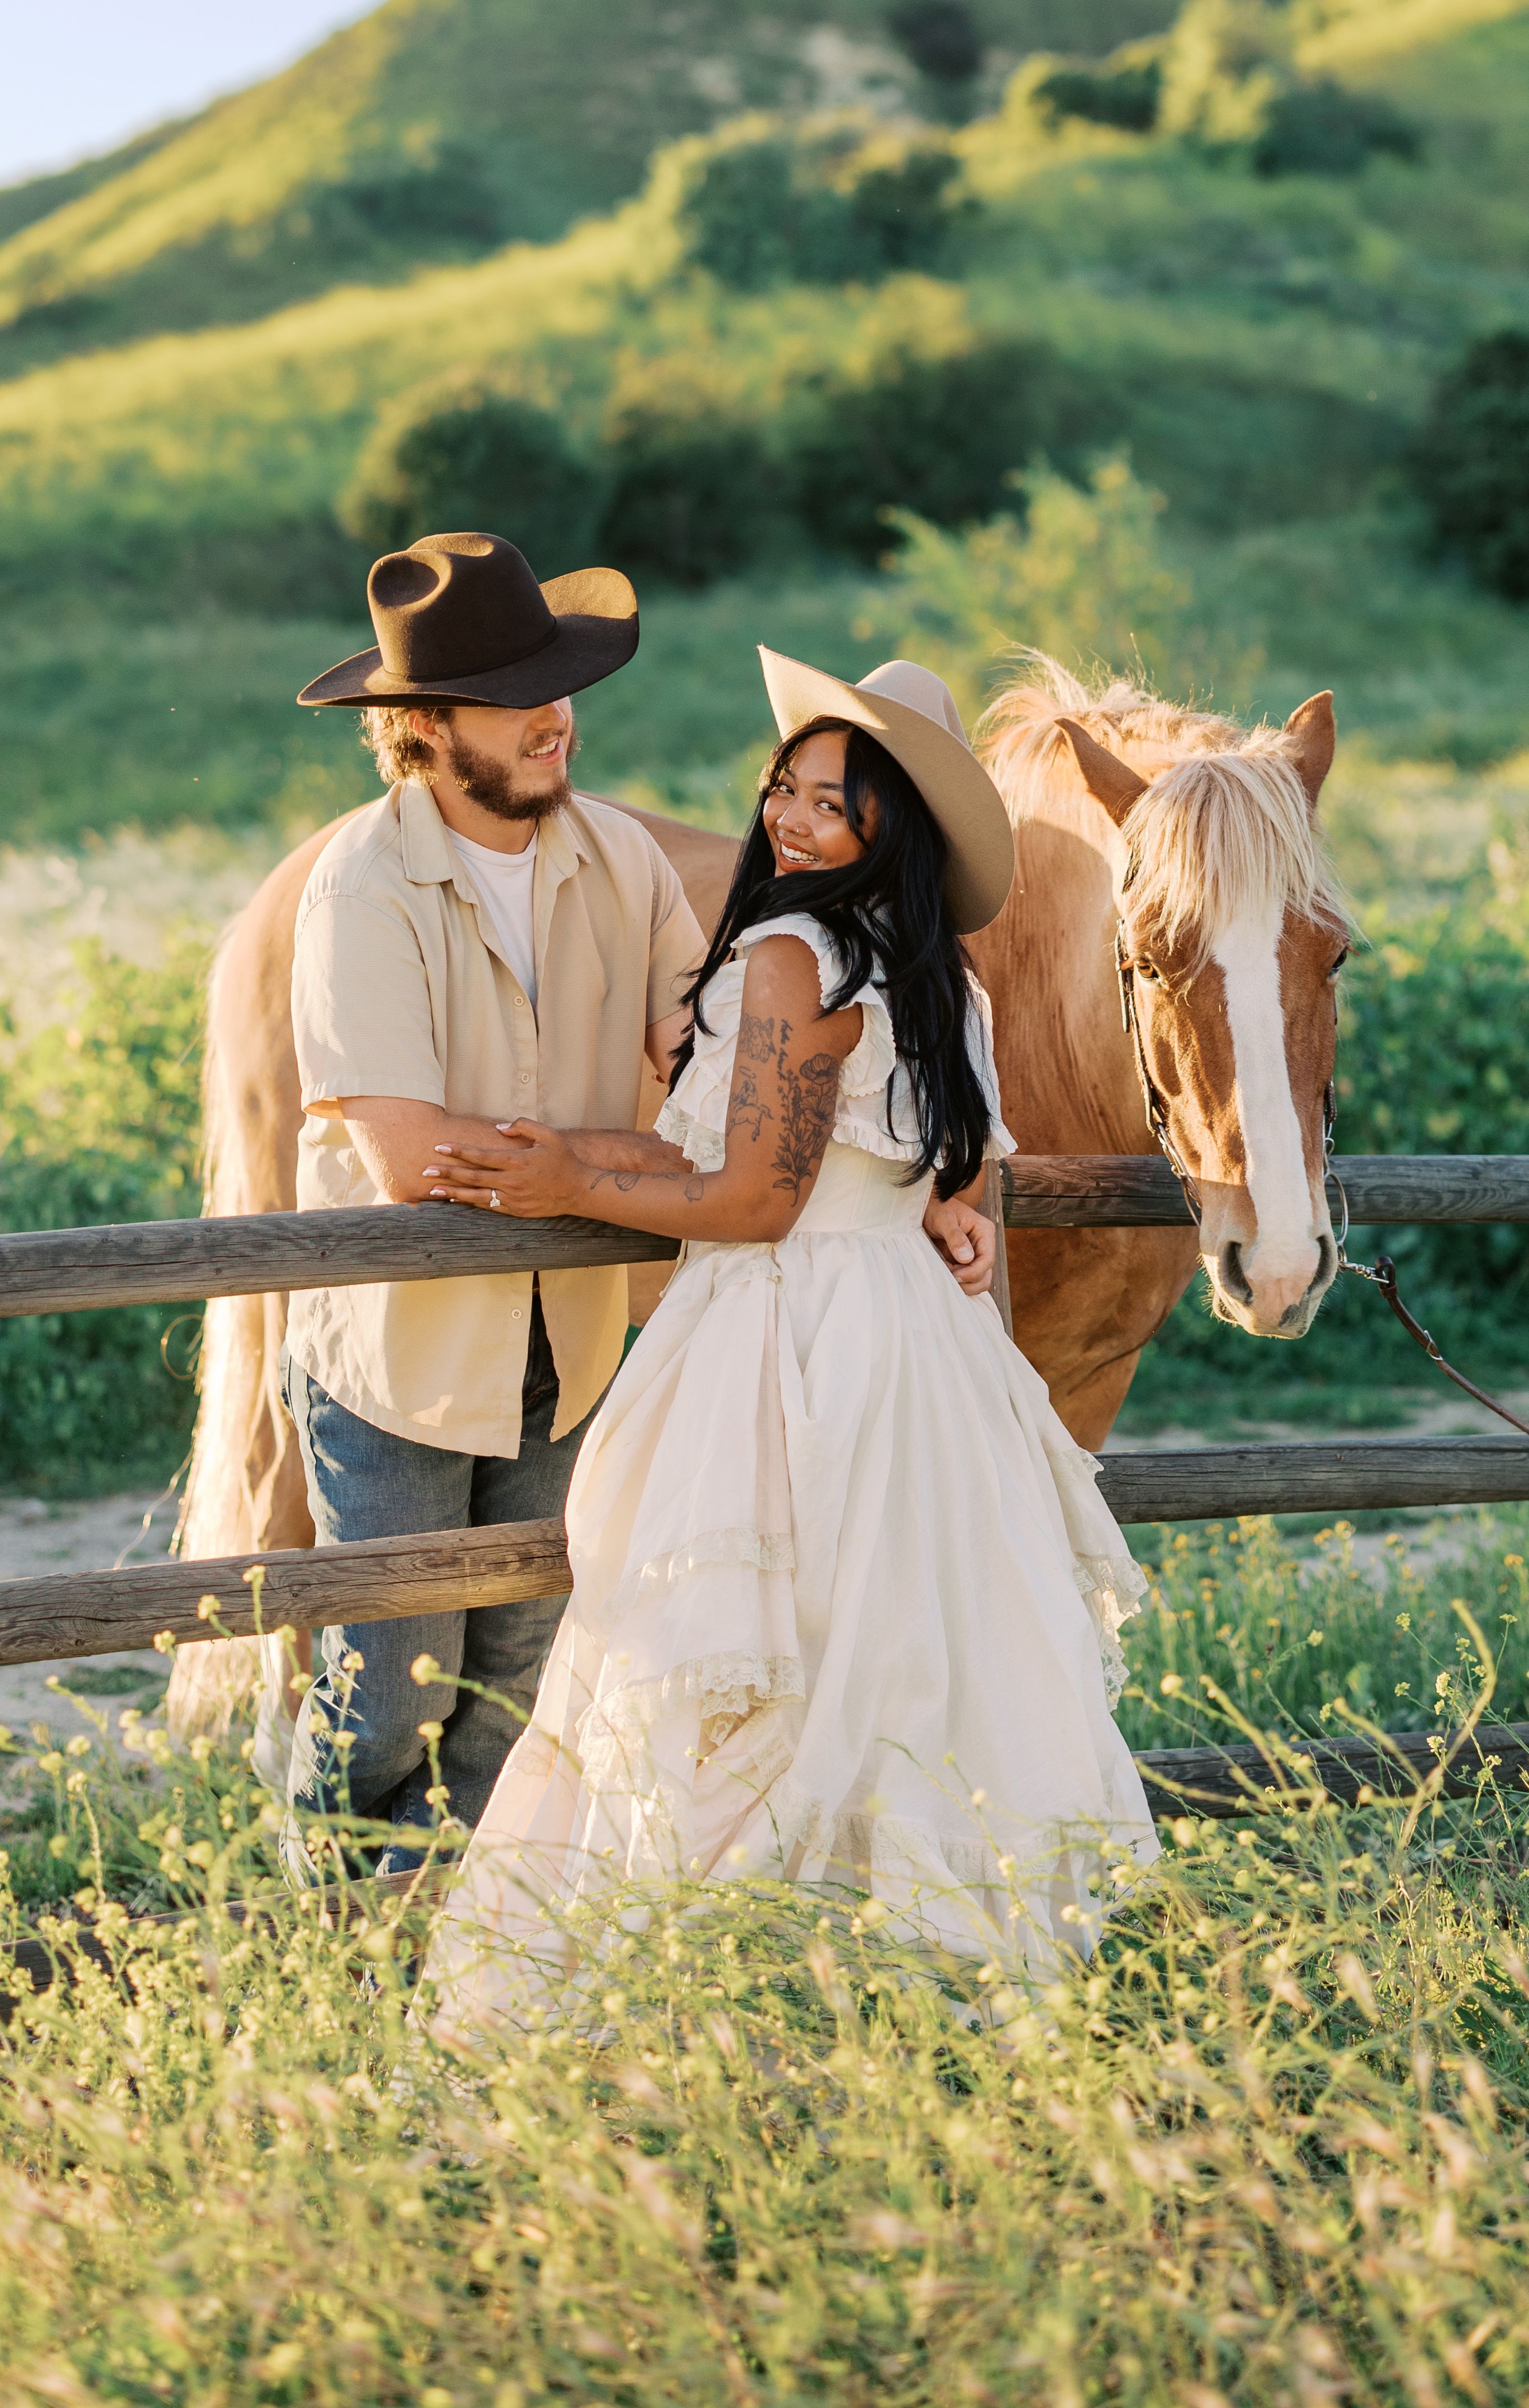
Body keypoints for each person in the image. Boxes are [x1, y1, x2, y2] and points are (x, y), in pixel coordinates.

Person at [418, 647, 1158, 2024]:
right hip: (912, 1349)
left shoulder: (787, 953)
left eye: (834, 802)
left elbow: (754, 1200)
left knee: (737, 1649)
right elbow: (943, 1166)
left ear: (894, 832)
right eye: (787, 788)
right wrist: (946, 1217)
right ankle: (917, 1976)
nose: (792, 819)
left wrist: (569, 1183)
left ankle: (715, 1980)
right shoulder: (938, 978)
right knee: (903, 1644)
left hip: (786, 1336)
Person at [278, 530, 709, 1863]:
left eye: (557, 684)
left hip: (566, 1343)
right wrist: (618, 1172)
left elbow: (708, 1059)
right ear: (421, 726)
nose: (554, 717)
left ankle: (456, 1969)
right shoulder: (359, 883)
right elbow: (415, 1162)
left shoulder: (622, 862)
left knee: (507, 1699)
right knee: (383, 1699)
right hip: (400, 1354)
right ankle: (328, 1944)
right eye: (514, 696)